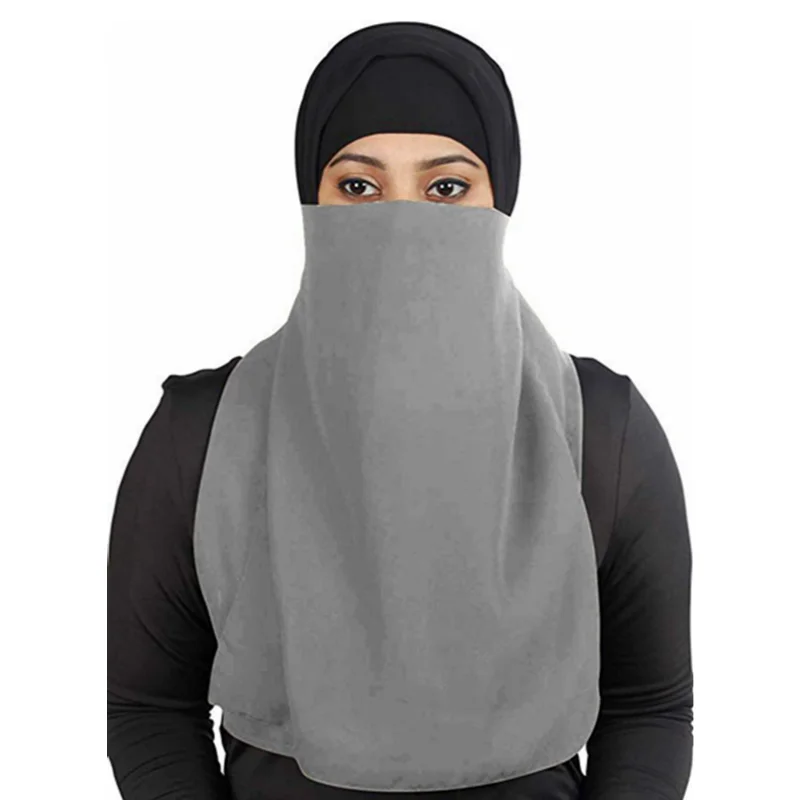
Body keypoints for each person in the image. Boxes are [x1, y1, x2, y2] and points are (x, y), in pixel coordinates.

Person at [107, 21, 693, 800]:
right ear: (310, 200)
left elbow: (648, 710)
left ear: (501, 200)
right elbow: (149, 712)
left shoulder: (601, 430)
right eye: (358, 187)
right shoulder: (202, 433)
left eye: (448, 188)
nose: (402, 221)